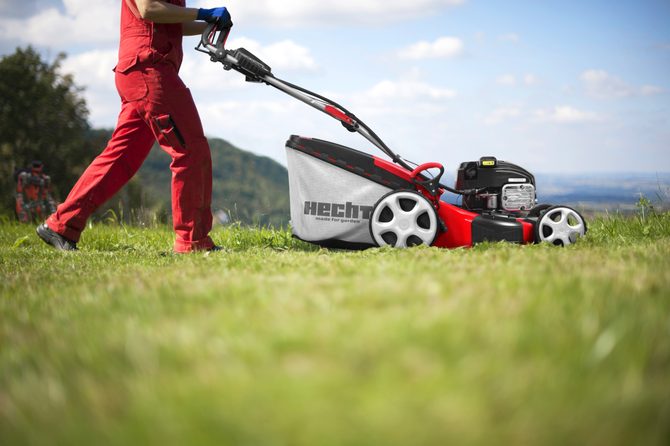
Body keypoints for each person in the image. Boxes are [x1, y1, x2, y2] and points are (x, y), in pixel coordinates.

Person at [37, 0, 230, 252]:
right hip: (150, 69)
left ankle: (61, 225)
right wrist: (202, 12)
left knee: (120, 159)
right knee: (190, 150)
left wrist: (208, 22)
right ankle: (192, 241)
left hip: (142, 70)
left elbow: (172, 22)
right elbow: (148, 9)